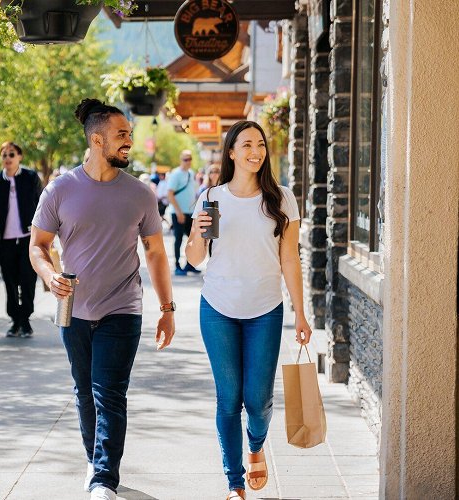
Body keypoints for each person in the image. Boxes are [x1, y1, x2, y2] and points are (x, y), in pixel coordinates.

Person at [29, 98, 176, 500]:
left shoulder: (141, 195)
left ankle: (103, 479)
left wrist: (166, 310)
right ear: (97, 140)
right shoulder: (59, 190)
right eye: (122, 135)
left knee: (108, 391)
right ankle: (95, 461)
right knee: (83, 390)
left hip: (122, 307)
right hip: (72, 308)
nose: (130, 141)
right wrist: (49, 274)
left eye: (129, 134)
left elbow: (157, 253)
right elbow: (38, 246)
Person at [185, 120, 312, 500]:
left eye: (260, 145)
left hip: (265, 310)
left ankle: (256, 445)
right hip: (218, 309)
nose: (255, 151)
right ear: (231, 152)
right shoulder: (213, 198)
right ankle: (234, 482)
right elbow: (194, 259)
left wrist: (301, 315)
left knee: (257, 399)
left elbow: (290, 259)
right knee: (228, 397)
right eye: (246, 145)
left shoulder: (281, 199)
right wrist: (197, 232)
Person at [0, 142, 42, 338]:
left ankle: (25, 320)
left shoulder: (30, 177)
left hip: (28, 239)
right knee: (9, 282)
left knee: (27, 280)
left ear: (19, 157)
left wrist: (45, 237)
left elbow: (41, 206)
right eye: (4, 155)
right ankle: (15, 321)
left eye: (11, 154)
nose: (7, 158)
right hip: (7, 241)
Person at [167, 149, 200, 276]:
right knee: (179, 238)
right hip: (178, 213)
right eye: (186, 159)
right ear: (181, 160)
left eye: (190, 159)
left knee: (193, 239)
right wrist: (178, 211)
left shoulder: (191, 174)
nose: (188, 161)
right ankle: (177, 266)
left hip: (190, 212)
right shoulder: (176, 174)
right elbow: (170, 194)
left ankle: (189, 265)